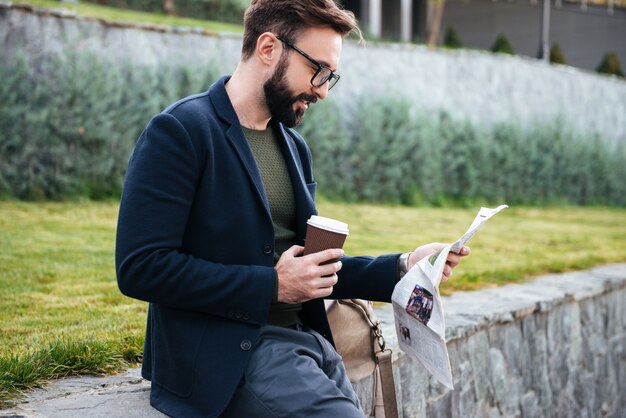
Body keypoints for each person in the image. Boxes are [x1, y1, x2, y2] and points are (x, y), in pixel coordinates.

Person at [115, 1, 470, 417]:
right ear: (268, 47)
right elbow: (141, 267)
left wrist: (404, 266)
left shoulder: (294, 147)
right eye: (317, 70)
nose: (322, 90)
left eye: (330, 77)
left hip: (308, 344)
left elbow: (310, 271)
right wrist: (272, 286)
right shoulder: (181, 131)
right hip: (228, 356)